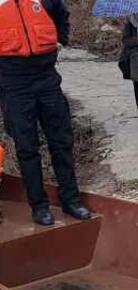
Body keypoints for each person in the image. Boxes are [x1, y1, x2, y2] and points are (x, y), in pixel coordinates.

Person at [0, 0, 92, 226]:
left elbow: (62, 16)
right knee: (26, 148)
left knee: (62, 141)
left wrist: (61, 40)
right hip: (13, 84)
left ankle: (70, 200)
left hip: (47, 78)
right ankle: (39, 206)